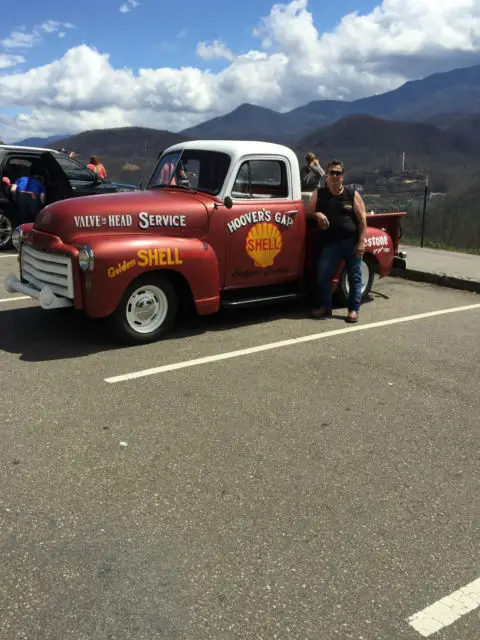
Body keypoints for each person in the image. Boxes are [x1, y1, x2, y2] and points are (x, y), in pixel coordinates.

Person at [308, 159, 367, 323]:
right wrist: (317, 214)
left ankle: (353, 310)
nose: (335, 176)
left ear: (343, 176)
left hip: (351, 242)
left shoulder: (352, 194)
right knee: (322, 274)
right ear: (326, 175)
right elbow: (308, 212)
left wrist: (362, 242)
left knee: (355, 277)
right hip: (330, 243)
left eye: (338, 173)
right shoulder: (319, 194)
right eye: (332, 172)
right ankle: (326, 307)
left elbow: (362, 220)